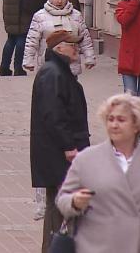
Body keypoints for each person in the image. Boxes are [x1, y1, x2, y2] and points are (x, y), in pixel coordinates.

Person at [56, 94, 140, 253]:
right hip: (98, 246)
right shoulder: (86, 159)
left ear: (137, 125)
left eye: (121, 120)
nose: (114, 125)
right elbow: (62, 199)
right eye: (110, 119)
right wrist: (74, 202)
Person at [29, 29, 90, 252]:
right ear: (58, 49)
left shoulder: (60, 72)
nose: (76, 48)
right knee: (59, 207)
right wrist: (68, 146)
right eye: (71, 44)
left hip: (61, 152)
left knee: (63, 206)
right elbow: (53, 114)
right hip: (58, 153)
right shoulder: (52, 74)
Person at [23, 0, 96, 76]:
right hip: (49, 64)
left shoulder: (76, 15)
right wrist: (28, 60)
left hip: (71, 64)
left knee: (70, 90)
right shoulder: (40, 16)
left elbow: (85, 38)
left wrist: (89, 57)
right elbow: (32, 40)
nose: (59, 1)